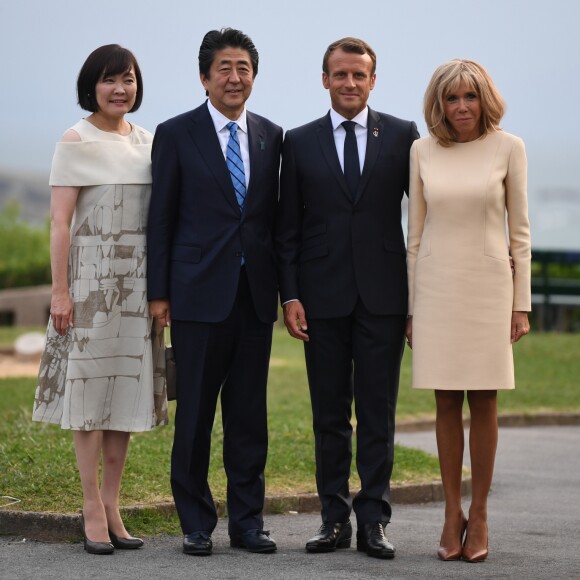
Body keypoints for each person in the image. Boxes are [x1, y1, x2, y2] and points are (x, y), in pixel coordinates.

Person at [276, 37, 418, 559]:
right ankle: (333, 519)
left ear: (373, 80)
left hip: (384, 297)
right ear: (325, 80)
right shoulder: (299, 140)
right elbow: (286, 228)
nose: (350, 83)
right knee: (328, 415)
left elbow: (423, 218)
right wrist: (290, 294)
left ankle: (374, 521)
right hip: (321, 298)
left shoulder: (402, 135)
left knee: (379, 413)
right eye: (341, 75)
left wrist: (416, 302)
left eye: (360, 75)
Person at [147, 28, 282, 556]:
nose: (234, 77)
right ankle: (196, 522)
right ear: (205, 77)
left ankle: (248, 523)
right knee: (196, 413)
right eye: (224, 68)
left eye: (243, 67)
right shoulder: (176, 133)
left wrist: (286, 293)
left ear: (253, 76)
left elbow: (276, 223)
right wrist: (160, 294)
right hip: (197, 296)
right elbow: (161, 220)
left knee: (249, 416)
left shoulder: (272, 136)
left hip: (254, 297)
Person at [32, 44, 168, 555]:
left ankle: (113, 505)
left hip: (137, 287)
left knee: (124, 395)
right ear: (92, 85)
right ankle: (90, 506)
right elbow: (60, 222)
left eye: (128, 79)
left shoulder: (151, 142)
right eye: (110, 80)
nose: (120, 89)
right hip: (88, 287)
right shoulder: (75, 139)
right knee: (89, 398)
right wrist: (60, 291)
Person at [406, 59, 531, 563]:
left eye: (470, 97)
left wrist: (520, 303)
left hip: (488, 288)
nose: (461, 107)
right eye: (452, 98)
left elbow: (519, 233)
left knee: (484, 401)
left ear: (485, 99)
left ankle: (479, 514)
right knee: (443, 403)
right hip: (436, 287)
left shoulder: (509, 147)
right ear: (439, 103)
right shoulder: (421, 150)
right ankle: (450, 512)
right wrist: (412, 308)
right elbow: (414, 237)